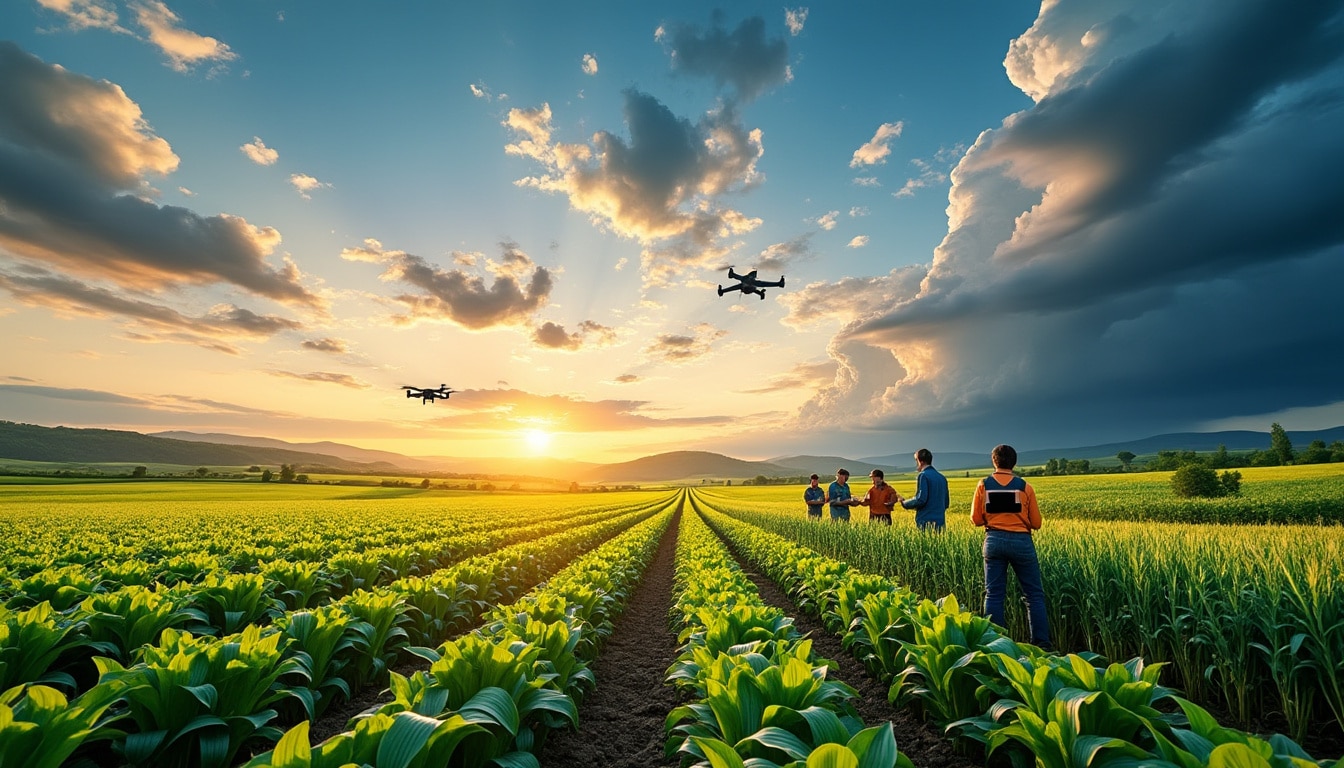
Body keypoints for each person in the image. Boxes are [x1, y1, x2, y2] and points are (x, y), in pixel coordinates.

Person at [971, 444, 1051, 649]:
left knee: (994, 594)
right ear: (1014, 463)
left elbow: (976, 520)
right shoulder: (1025, 486)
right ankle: (1042, 645)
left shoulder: (983, 484)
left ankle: (994, 644)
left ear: (994, 461)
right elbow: (1037, 523)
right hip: (1022, 542)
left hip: (994, 541)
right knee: (1033, 595)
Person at [898, 448, 949, 531]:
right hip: (941, 523)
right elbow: (946, 503)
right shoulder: (942, 477)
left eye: (916, 460)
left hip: (925, 522)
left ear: (921, 462)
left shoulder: (923, 475)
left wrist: (904, 503)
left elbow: (921, 499)